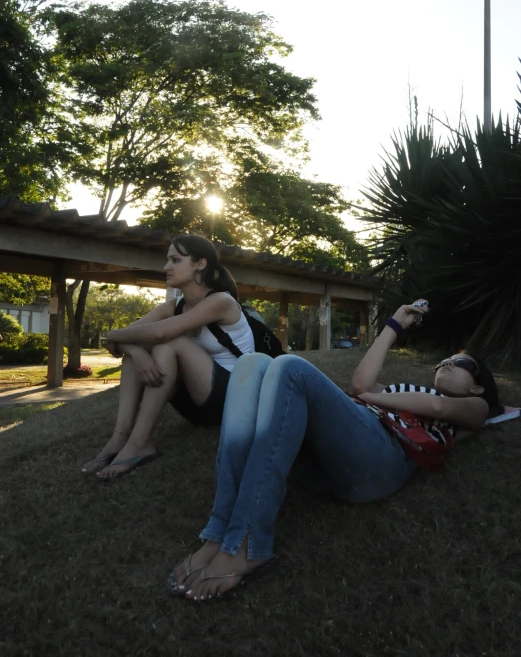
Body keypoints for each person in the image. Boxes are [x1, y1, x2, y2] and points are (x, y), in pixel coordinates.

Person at [169, 300, 498, 602]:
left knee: (290, 367)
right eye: (445, 360)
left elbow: (436, 408)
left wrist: (372, 398)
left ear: (477, 385)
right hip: (335, 454)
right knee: (251, 364)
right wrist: (395, 325)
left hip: (383, 457)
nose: (448, 363)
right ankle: (220, 530)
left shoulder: (475, 407)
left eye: (460, 362)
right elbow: (360, 385)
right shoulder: (404, 389)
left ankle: (247, 544)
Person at [82, 234, 255, 479]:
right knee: (137, 352)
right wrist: (135, 351)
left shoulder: (221, 301)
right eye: (167, 260)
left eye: (175, 260)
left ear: (200, 264)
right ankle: (120, 437)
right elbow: (119, 343)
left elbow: (161, 333)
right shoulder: (171, 307)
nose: (166, 267)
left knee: (169, 342)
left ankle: (140, 443)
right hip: (196, 406)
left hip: (233, 401)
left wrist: (116, 334)